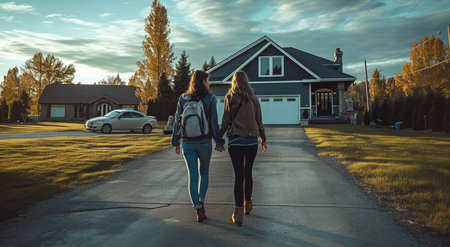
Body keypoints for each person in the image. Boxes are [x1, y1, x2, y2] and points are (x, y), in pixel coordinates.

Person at [172, 70, 225, 222]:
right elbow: (214, 123)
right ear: (204, 81)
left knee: (192, 177)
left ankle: (197, 208)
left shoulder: (183, 98)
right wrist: (219, 142)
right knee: (204, 173)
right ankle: (201, 200)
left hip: (187, 143)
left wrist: (176, 142)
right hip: (204, 142)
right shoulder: (210, 98)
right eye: (207, 80)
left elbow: (178, 122)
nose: (209, 83)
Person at [219, 70, 267, 226]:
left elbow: (225, 120)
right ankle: (248, 204)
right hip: (251, 141)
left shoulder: (229, 97)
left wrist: (219, 138)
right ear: (246, 81)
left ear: (234, 81)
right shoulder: (254, 99)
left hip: (236, 142)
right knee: (248, 172)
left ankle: (238, 213)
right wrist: (263, 139)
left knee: (239, 176)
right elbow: (259, 121)